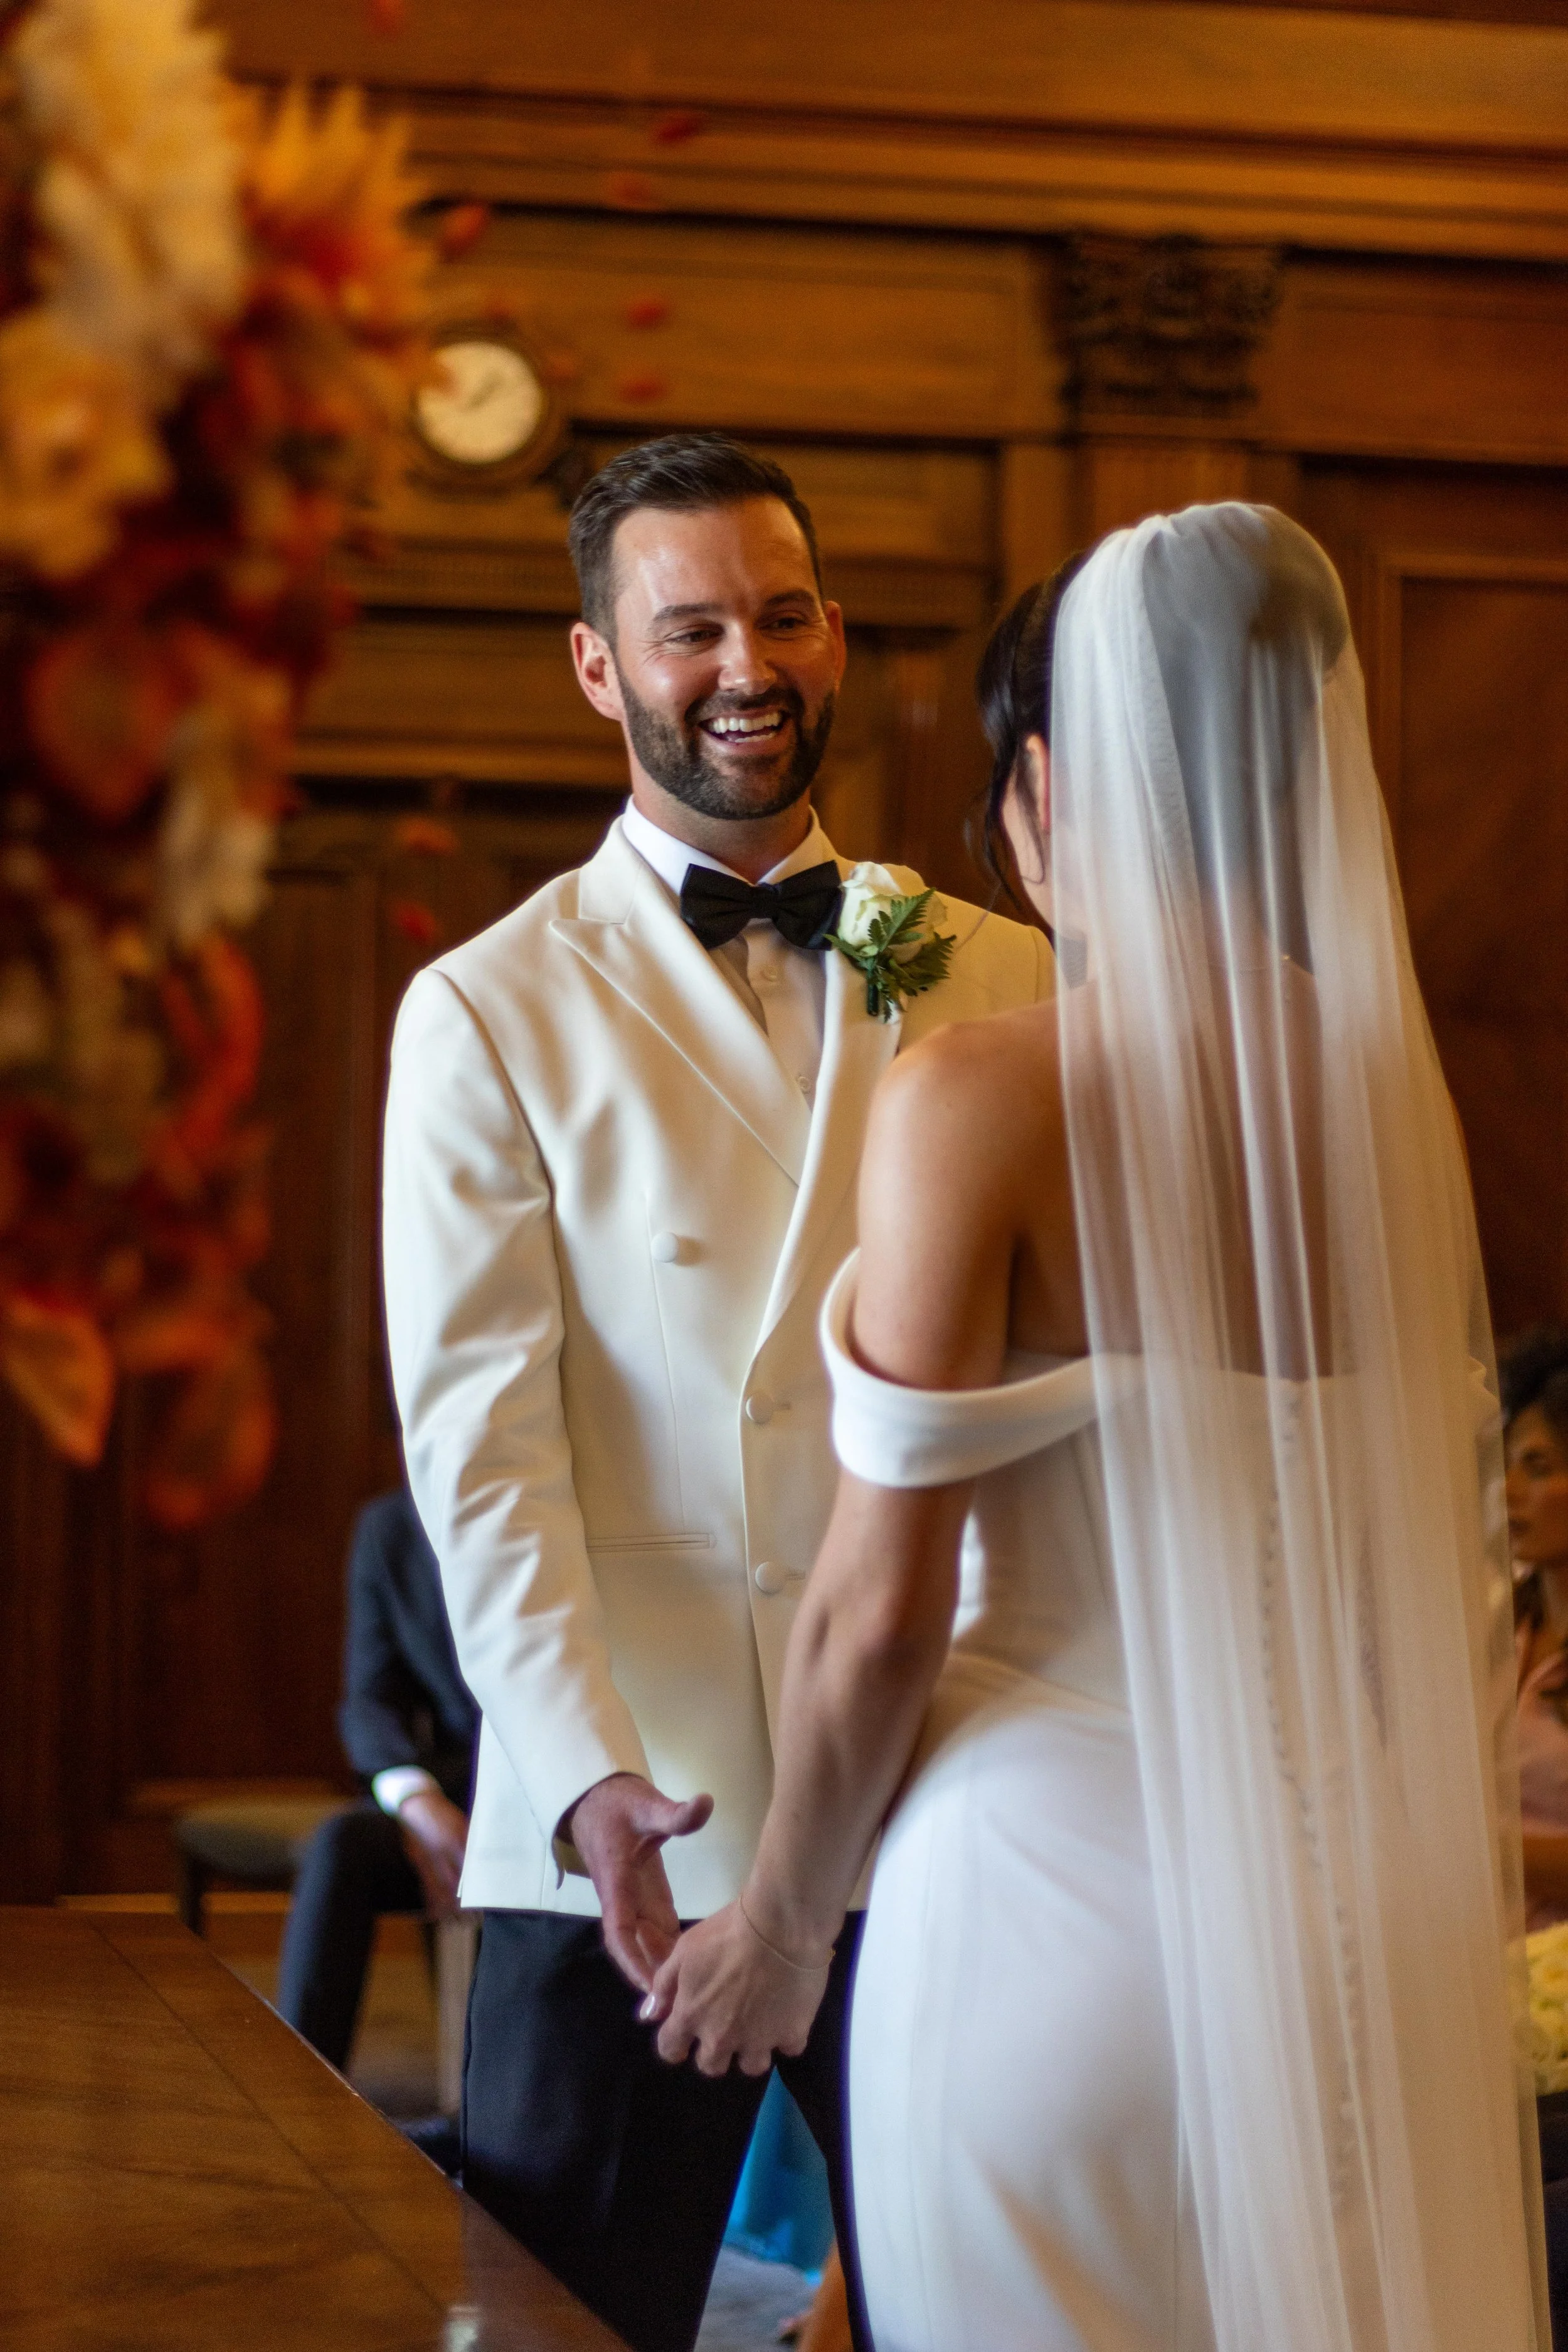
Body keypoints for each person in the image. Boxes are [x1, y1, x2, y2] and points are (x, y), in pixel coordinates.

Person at [650, 504, 1550, 2351]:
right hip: (1360, 1930)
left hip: (1048, 1913)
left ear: (1049, 782)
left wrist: (777, 1927)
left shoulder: (980, 1091)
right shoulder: (1394, 1106)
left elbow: (875, 1613)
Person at [379, 432, 1052, 2352]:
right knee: (567, 2320)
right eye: (687, 631)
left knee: (971, 2309)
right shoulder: (487, 1006)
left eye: (776, 615)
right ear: (600, 666)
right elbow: (477, 1447)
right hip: (630, 1828)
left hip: (940, 1788)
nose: (741, 666)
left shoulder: (1000, 971)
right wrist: (589, 1769)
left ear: (832, 632)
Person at [275, 1489, 477, 2071]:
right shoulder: (389, 1529)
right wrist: (417, 1800)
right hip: (455, 1790)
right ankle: (297, 2090)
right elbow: (370, 1702)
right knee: (345, 1845)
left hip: (575, 1788)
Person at [1503, 1327, 1568, 1928]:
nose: (1510, 1491)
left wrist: (1485, 1854)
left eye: (1538, 1467)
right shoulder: (1498, 1624)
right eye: (1508, 1465)